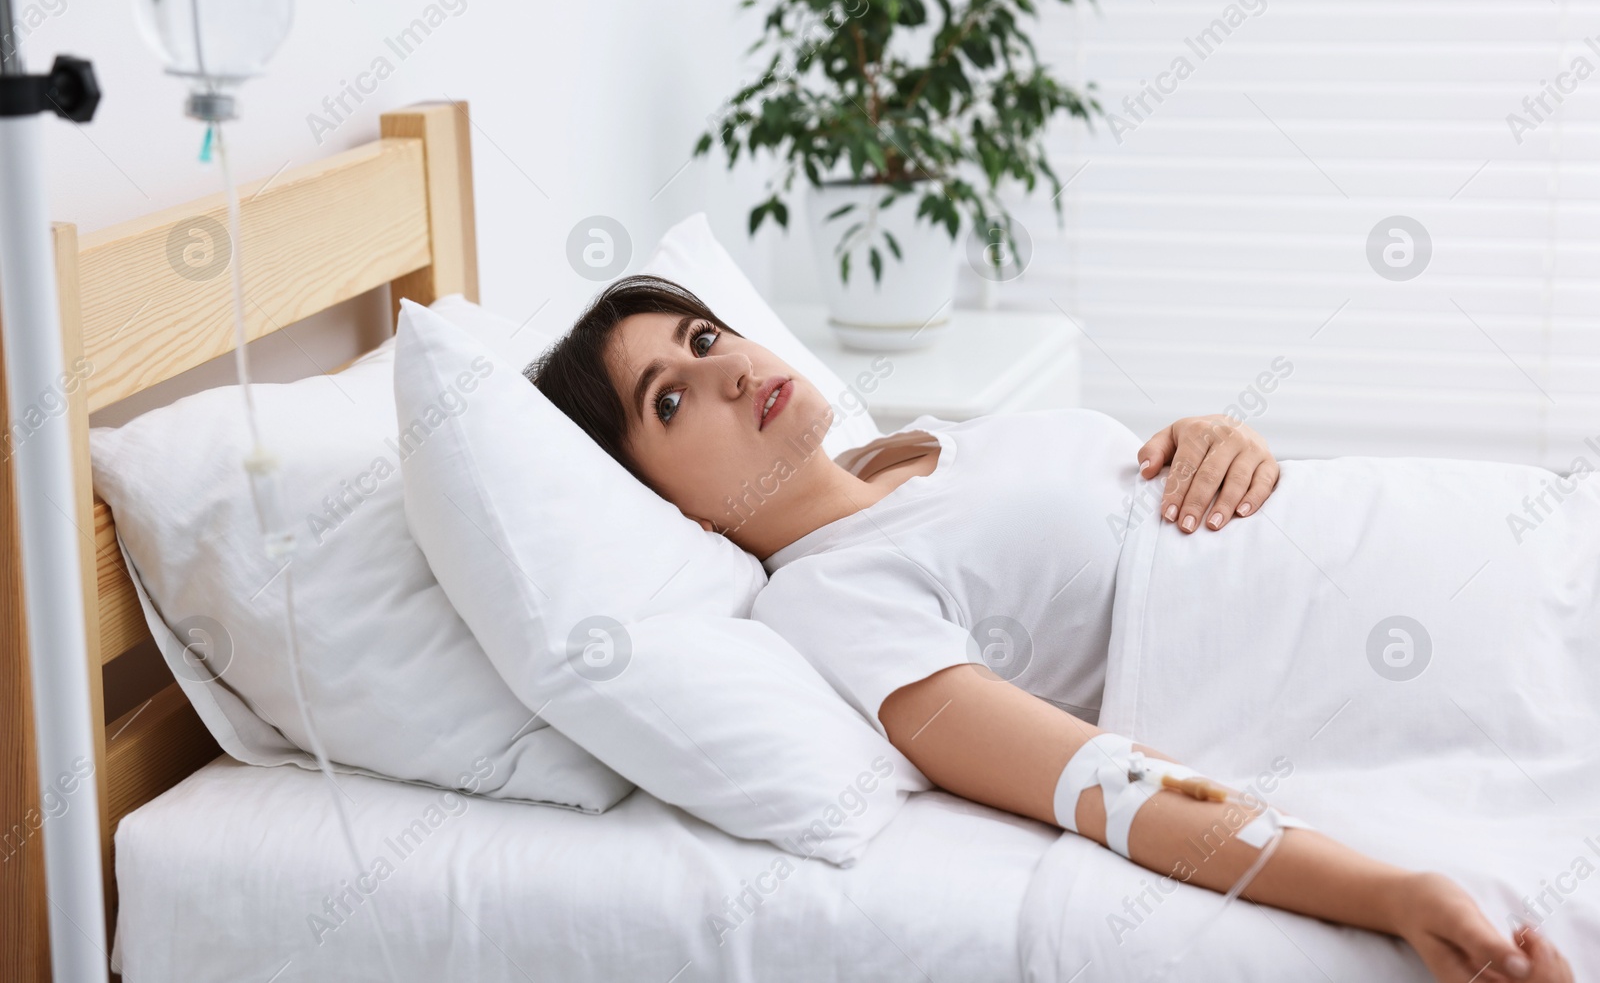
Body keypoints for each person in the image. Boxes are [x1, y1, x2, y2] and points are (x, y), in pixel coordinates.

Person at [528, 274, 1573, 983]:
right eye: (669, 400)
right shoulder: (825, 599)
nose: (723, 370)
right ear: (667, 508)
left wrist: (1215, 434)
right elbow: (1101, 783)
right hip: (1426, 641)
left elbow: (1109, 497)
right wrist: (1389, 892)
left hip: (1448, 527)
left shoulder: (905, 450)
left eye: (706, 335)